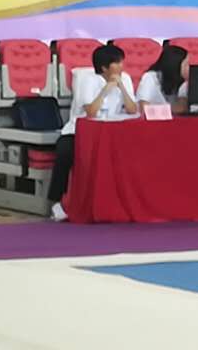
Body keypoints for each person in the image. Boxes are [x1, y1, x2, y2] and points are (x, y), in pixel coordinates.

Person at [48, 43, 138, 222]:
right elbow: (91, 112)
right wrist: (106, 90)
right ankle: (56, 201)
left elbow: (132, 109)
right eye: (117, 63)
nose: (122, 66)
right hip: (79, 132)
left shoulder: (125, 78)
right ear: (104, 67)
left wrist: (122, 88)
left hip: (111, 133)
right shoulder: (87, 80)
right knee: (65, 152)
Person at [136, 44, 190, 114]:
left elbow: (182, 108)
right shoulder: (150, 77)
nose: (189, 68)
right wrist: (167, 111)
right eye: (186, 64)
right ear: (175, 65)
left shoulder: (183, 83)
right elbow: (143, 108)